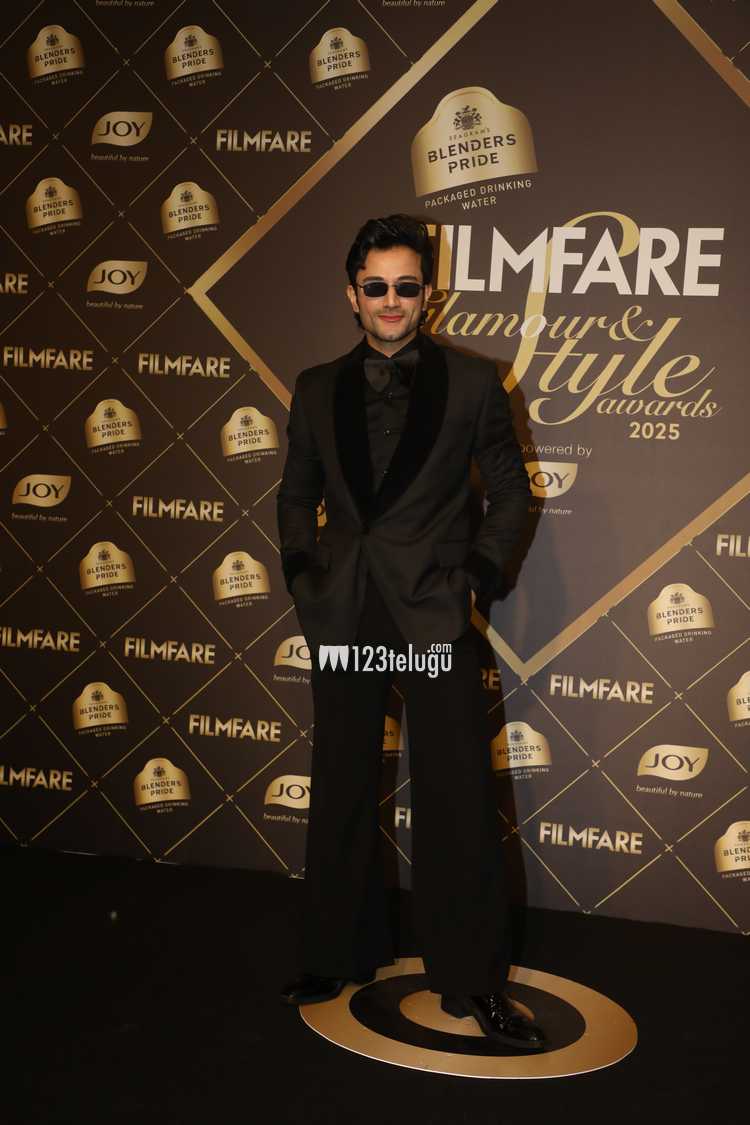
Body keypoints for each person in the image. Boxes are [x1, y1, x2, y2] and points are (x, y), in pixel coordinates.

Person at [275, 214, 544, 1049]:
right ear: (351, 294)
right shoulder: (315, 387)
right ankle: (338, 951)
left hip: (434, 608)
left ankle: (474, 978)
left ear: (428, 294)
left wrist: (477, 579)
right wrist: (303, 573)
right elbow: (295, 492)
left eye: (406, 286)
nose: (391, 301)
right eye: (376, 286)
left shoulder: (473, 381)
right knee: (342, 781)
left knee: (457, 793)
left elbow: (512, 492)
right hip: (347, 610)